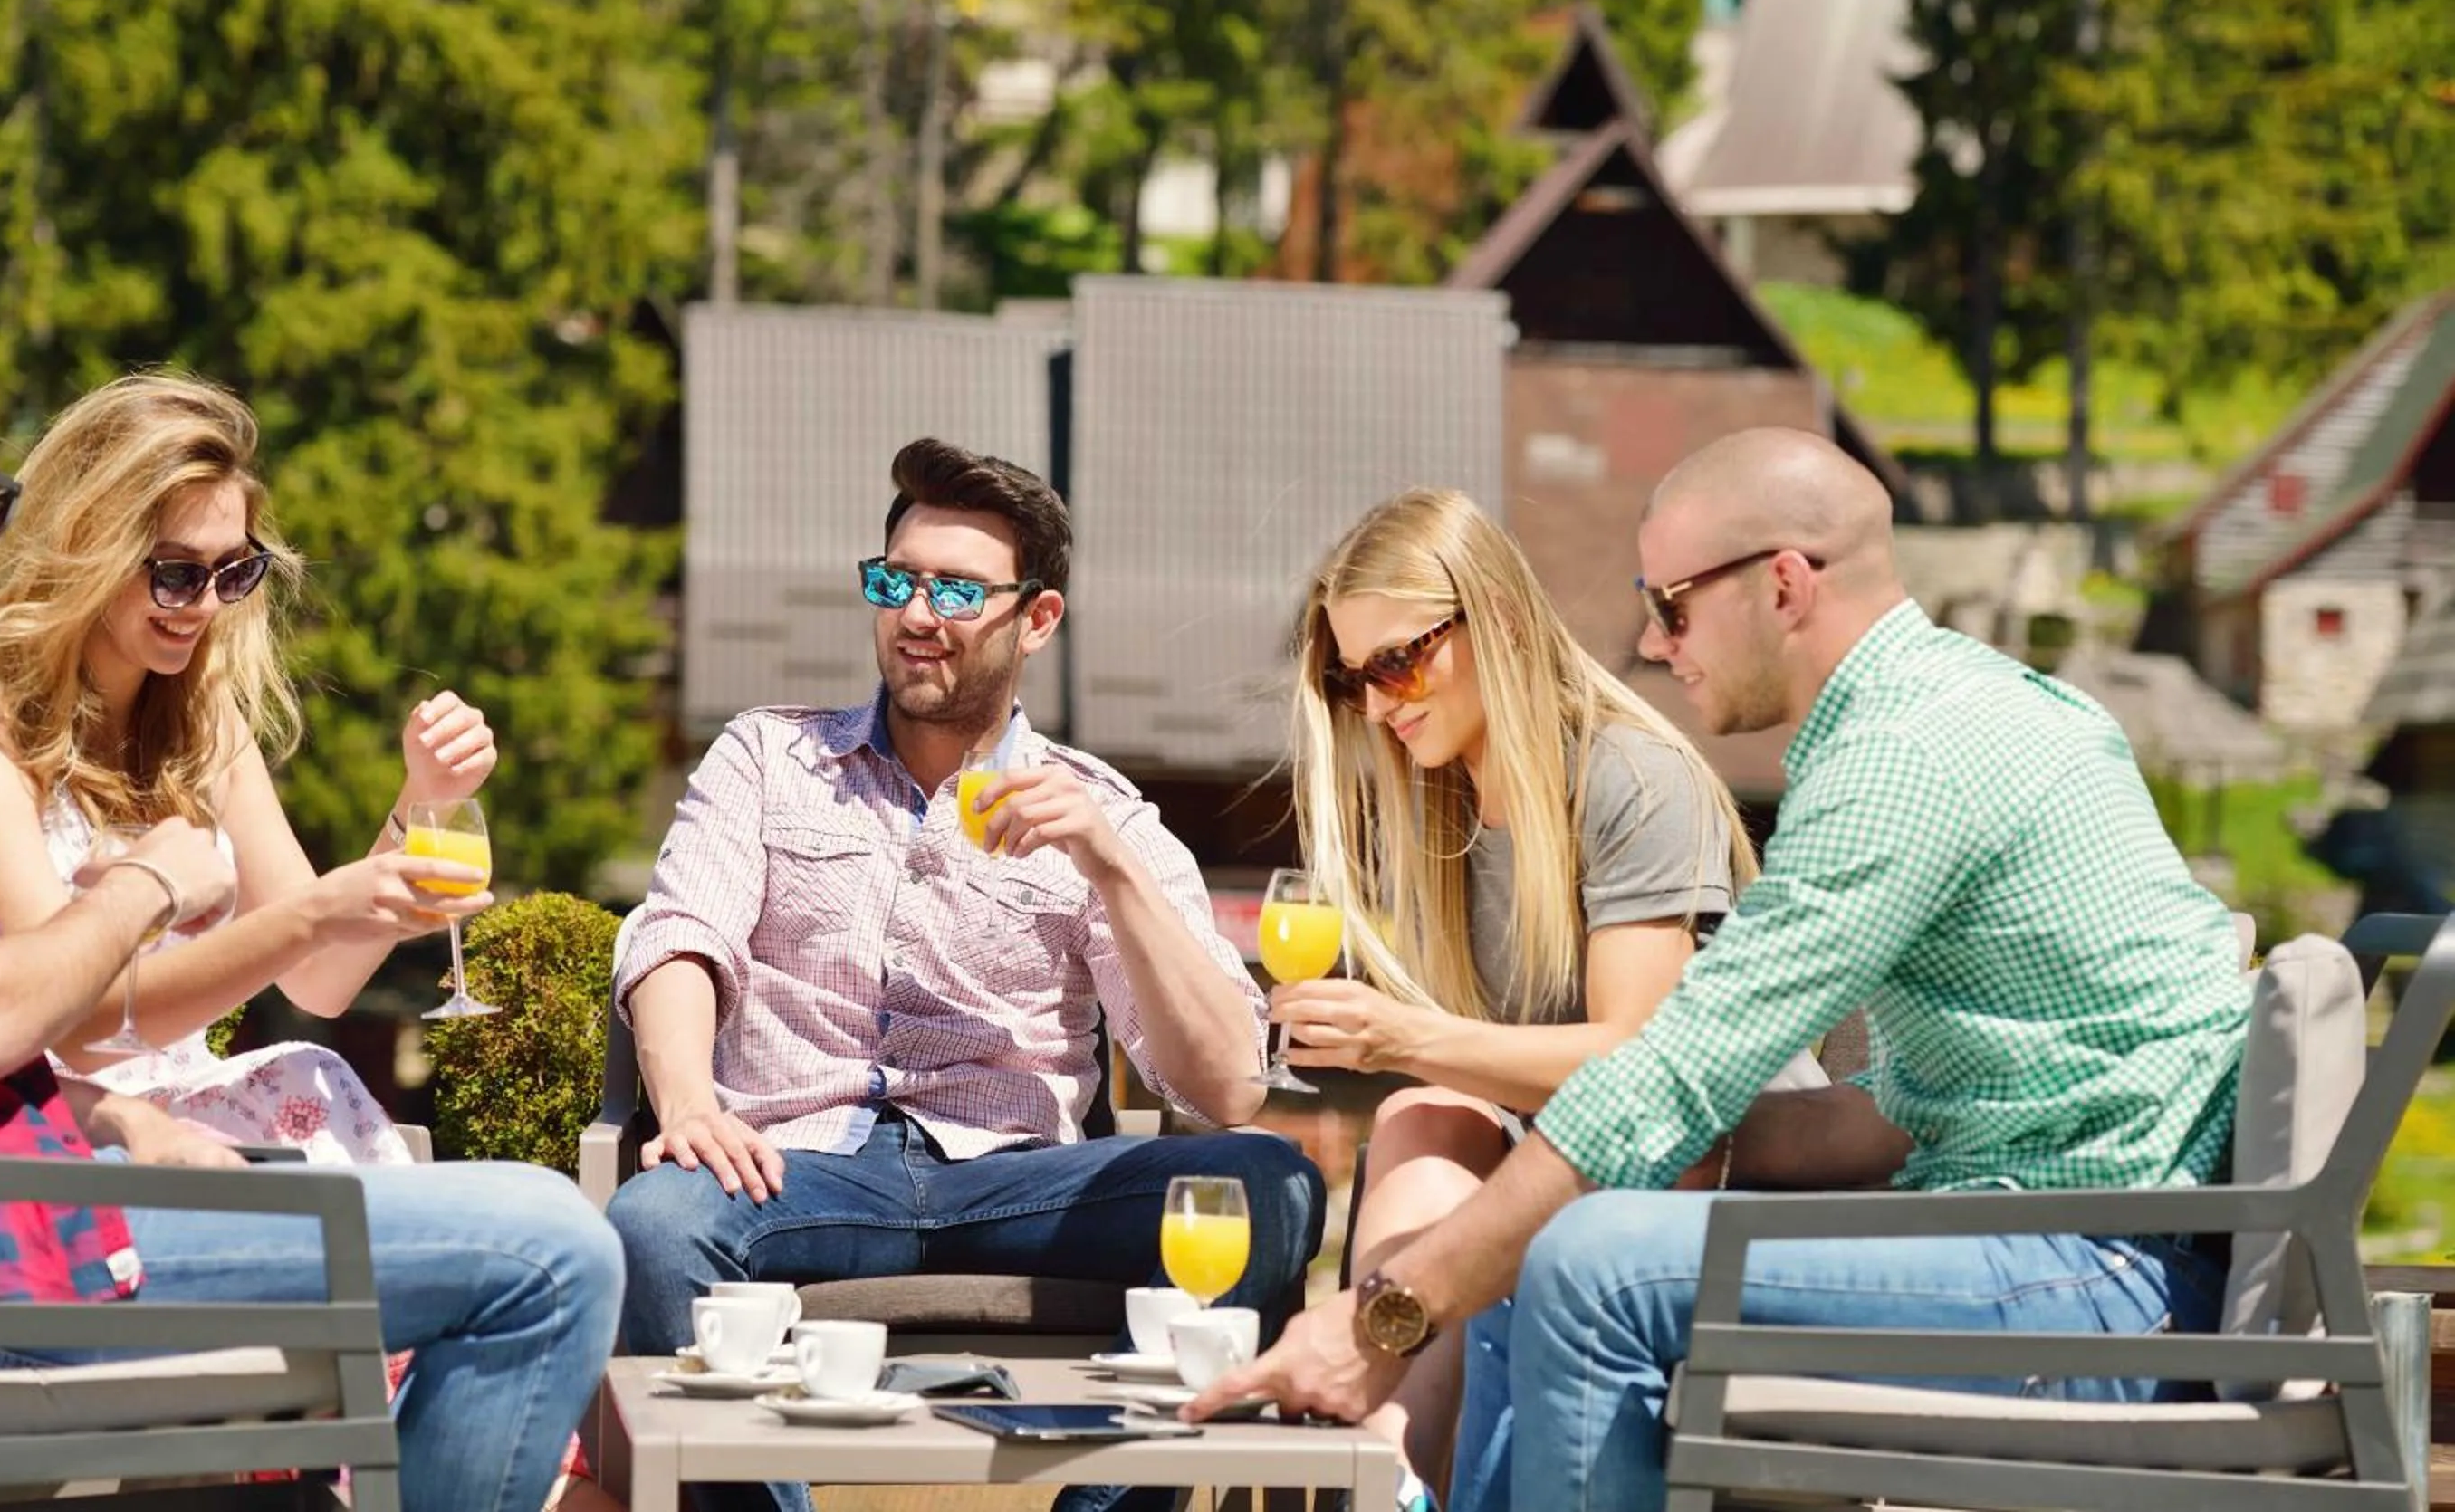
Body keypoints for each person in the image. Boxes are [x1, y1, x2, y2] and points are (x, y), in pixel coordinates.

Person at [1189, 426, 2252, 1512]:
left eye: (1674, 604)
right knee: (1550, 1229)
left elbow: (1668, 1075)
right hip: (2069, 1244)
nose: (1653, 644)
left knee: (1592, 1263)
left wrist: (1383, 1311)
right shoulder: (1974, 708)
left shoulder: (1904, 763)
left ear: (1784, 584)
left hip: (2097, 1282)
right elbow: (1930, 1096)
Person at [0, 322, 619, 1512]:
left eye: (234, 570)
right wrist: (159, 895)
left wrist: (408, 824)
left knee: (527, 1239)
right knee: (554, 1246)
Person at [605, 437, 1326, 1512]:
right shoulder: (767, 758)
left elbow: (1226, 1086)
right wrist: (690, 1099)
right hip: (795, 1171)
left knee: (1271, 1187)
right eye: (895, 581)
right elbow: (676, 938)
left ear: (1036, 619)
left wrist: (1110, 870)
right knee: (656, 1224)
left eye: (954, 588)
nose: (916, 614)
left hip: (1019, 1182)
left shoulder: (1102, 812)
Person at [1279, 489, 1756, 1502]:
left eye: (1399, 661)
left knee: (1431, 1099)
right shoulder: (1442, 805)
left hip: (1694, 1167)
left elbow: (1638, 1062)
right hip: (1559, 1155)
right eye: (1352, 676)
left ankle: (1393, 1459)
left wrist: (1404, 1033)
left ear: (1490, 619)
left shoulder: (1628, 774)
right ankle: (1390, 1462)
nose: (1378, 703)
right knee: (1426, 1115)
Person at [0, 372, 495, 1165]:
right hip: (70, 1139)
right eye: (175, 572)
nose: (204, 605)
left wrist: (420, 806)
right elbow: (68, 1022)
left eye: (231, 572)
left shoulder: (206, 726)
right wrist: (310, 917)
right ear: (89, 551)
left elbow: (319, 982)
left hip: (194, 1127)